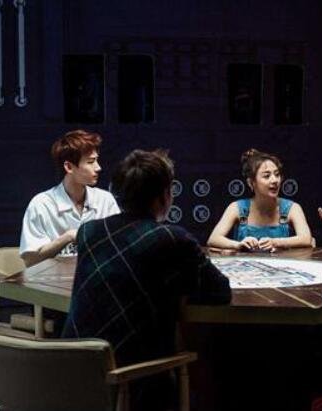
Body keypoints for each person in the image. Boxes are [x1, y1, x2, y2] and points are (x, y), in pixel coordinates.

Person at [62, 149, 231, 410]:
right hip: (133, 383)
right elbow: (220, 292)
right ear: (164, 196)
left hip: (72, 374)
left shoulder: (89, 232)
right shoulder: (173, 238)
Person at [19, 130, 119, 267]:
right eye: (90, 162)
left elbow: (118, 248)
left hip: (95, 277)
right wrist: (69, 237)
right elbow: (30, 261)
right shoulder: (41, 204)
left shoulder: (105, 200)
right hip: (52, 279)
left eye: (97, 160)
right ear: (69, 167)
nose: (98, 168)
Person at [207, 148, 312, 251]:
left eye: (277, 174)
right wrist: (238, 245)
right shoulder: (237, 208)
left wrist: (275, 242)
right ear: (251, 182)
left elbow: (306, 239)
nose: (275, 180)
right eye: (267, 176)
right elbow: (213, 239)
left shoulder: (292, 208)